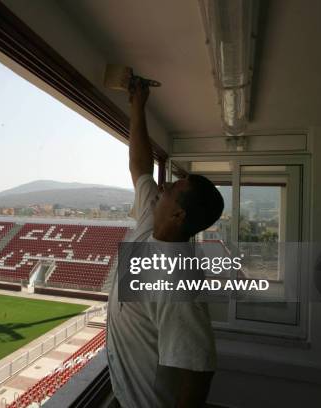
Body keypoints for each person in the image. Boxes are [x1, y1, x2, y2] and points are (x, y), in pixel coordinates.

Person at [106, 80, 224, 407]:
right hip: (123, 396)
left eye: (172, 189)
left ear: (177, 215)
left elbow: (199, 369)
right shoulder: (149, 221)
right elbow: (141, 167)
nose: (165, 184)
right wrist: (137, 106)